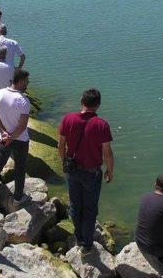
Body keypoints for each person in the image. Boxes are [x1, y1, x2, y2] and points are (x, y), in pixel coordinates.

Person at [58, 88, 114, 254]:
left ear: (81, 102)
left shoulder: (68, 119)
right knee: (90, 209)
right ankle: (87, 245)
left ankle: (79, 236)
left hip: (72, 170)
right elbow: (107, 152)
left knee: (75, 205)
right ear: (98, 105)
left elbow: (60, 144)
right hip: (92, 172)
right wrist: (110, 170)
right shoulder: (101, 125)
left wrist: (64, 163)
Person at [0, 69, 31, 206]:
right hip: (20, 140)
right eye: (27, 81)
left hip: (4, 137)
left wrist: (3, 132)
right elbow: (22, 126)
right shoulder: (23, 101)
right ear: (21, 80)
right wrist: (11, 138)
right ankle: (18, 198)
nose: (28, 84)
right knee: (20, 168)